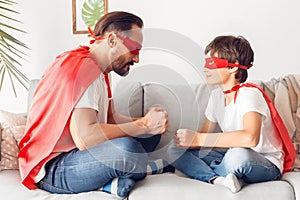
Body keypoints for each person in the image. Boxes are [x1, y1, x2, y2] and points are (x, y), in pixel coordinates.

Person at [18, 11, 168, 198]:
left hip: (80, 156)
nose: (137, 58)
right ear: (112, 40)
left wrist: (147, 123)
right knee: (127, 150)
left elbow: (112, 119)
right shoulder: (83, 69)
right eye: (134, 49)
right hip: (52, 169)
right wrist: (143, 125)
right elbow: (85, 138)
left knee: (150, 137)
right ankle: (125, 175)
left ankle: (117, 178)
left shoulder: (101, 71)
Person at [166, 35, 295, 193]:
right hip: (230, 155)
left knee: (237, 156)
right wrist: (186, 140)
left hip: (263, 162)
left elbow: (250, 138)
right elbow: (204, 141)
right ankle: (218, 179)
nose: (206, 68)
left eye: (212, 63)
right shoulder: (216, 97)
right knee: (173, 151)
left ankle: (202, 170)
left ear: (233, 67)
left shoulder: (249, 94)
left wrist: (198, 139)